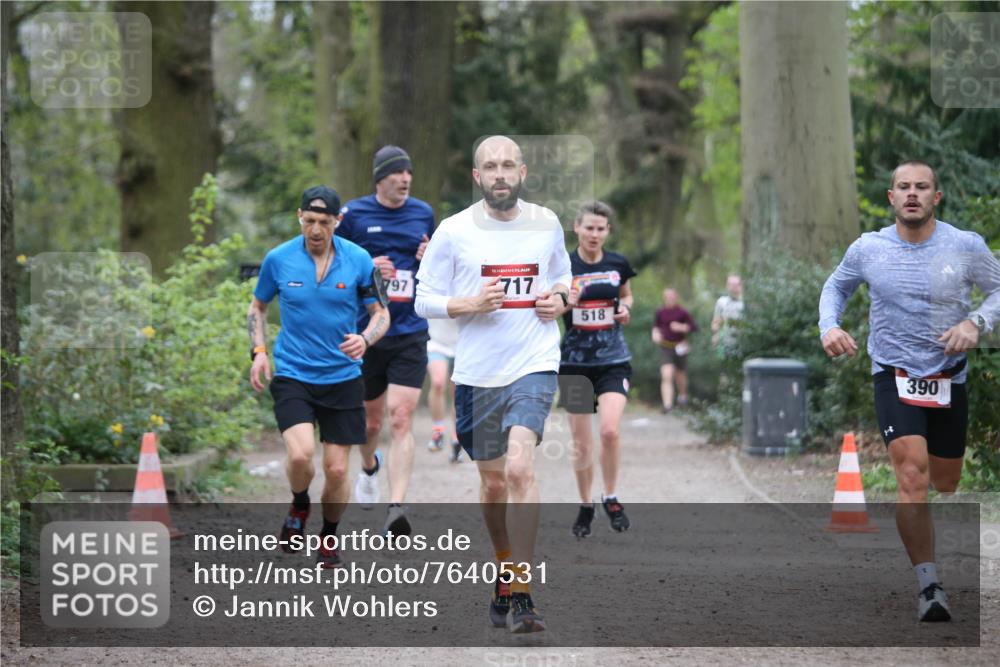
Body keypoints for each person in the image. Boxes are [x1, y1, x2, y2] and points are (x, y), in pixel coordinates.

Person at [819, 160, 1000, 622]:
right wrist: (829, 326)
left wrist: (975, 322)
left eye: (922, 187)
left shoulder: (965, 245)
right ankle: (930, 586)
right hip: (894, 375)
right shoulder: (869, 248)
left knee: (946, 481)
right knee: (912, 477)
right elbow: (836, 287)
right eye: (904, 187)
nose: (913, 194)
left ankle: (929, 569)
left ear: (937, 197)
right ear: (891, 197)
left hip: (948, 378)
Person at [415, 135, 572, 633]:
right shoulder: (453, 231)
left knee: (522, 467)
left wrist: (561, 301)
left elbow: (566, 278)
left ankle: (522, 590)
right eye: (490, 166)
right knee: (493, 482)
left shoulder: (545, 223)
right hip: (478, 372)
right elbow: (423, 298)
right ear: (477, 177)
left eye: (508, 165)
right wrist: (467, 305)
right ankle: (504, 564)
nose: (499, 173)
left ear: (522, 172)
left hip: (534, 360)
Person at [248, 185, 390, 569]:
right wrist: (259, 352)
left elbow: (381, 313)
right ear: (299, 217)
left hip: (342, 377)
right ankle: (299, 503)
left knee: (338, 468)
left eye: (323, 222)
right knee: (300, 455)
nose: (314, 229)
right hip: (294, 372)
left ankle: (329, 535)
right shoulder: (279, 259)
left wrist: (365, 338)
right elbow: (258, 307)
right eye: (308, 220)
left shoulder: (359, 260)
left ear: (336, 222)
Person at [337, 145, 435, 536]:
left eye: (410, 174)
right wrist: (366, 262)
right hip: (367, 333)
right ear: (380, 178)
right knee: (369, 422)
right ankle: (368, 468)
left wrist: (431, 256)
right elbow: (329, 261)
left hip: (410, 330)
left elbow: (435, 266)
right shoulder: (354, 214)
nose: (406, 180)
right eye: (398, 174)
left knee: (400, 416)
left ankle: (397, 505)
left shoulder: (423, 213)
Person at [557, 201, 637, 538]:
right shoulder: (562, 265)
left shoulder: (618, 263)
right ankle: (585, 503)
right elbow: (548, 303)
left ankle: (611, 495)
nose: (594, 234)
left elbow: (628, 297)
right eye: (588, 227)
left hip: (613, 360)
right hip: (575, 364)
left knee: (609, 431)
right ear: (577, 228)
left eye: (600, 229)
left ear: (608, 232)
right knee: (582, 442)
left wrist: (625, 311)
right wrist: (565, 302)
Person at [652, 288, 698, 412]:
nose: (670, 299)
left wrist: (682, 327)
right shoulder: (660, 312)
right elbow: (656, 326)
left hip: (680, 347)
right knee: (666, 375)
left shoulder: (682, 312)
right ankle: (667, 405)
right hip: (666, 346)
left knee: (680, 375)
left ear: (676, 297)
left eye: (672, 296)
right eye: (668, 297)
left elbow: (694, 327)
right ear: (664, 297)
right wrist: (655, 334)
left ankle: (682, 397)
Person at [425, 316, 462, 462]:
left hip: (464, 343)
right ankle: (438, 431)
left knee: (459, 393)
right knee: (438, 382)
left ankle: (457, 437)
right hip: (436, 342)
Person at [711, 273, 744, 357]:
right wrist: (715, 334)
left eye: (735, 285)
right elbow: (716, 322)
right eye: (731, 285)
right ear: (727, 286)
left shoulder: (747, 302)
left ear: (741, 285)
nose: (733, 287)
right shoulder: (721, 302)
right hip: (725, 344)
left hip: (743, 344)